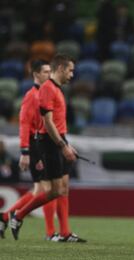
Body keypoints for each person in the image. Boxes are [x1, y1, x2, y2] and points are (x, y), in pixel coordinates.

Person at [8, 54, 86, 243]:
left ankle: (64, 232)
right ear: (60, 68)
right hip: (49, 143)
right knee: (53, 191)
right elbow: (47, 123)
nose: (72, 74)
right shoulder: (47, 90)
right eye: (70, 70)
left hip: (57, 140)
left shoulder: (56, 89)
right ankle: (18, 216)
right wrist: (62, 146)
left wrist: (67, 143)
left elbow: (57, 123)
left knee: (61, 189)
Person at [0, 60, 60, 240]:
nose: (49, 75)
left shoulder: (43, 93)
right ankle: (50, 233)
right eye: (45, 72)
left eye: (50, 72)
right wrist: (25, 152)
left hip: (40, 144)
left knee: (39, 190)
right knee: (47, 190)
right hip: (35, 146)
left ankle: (5, 216)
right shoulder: (31, 96)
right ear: (35, 74)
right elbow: (25, 125)